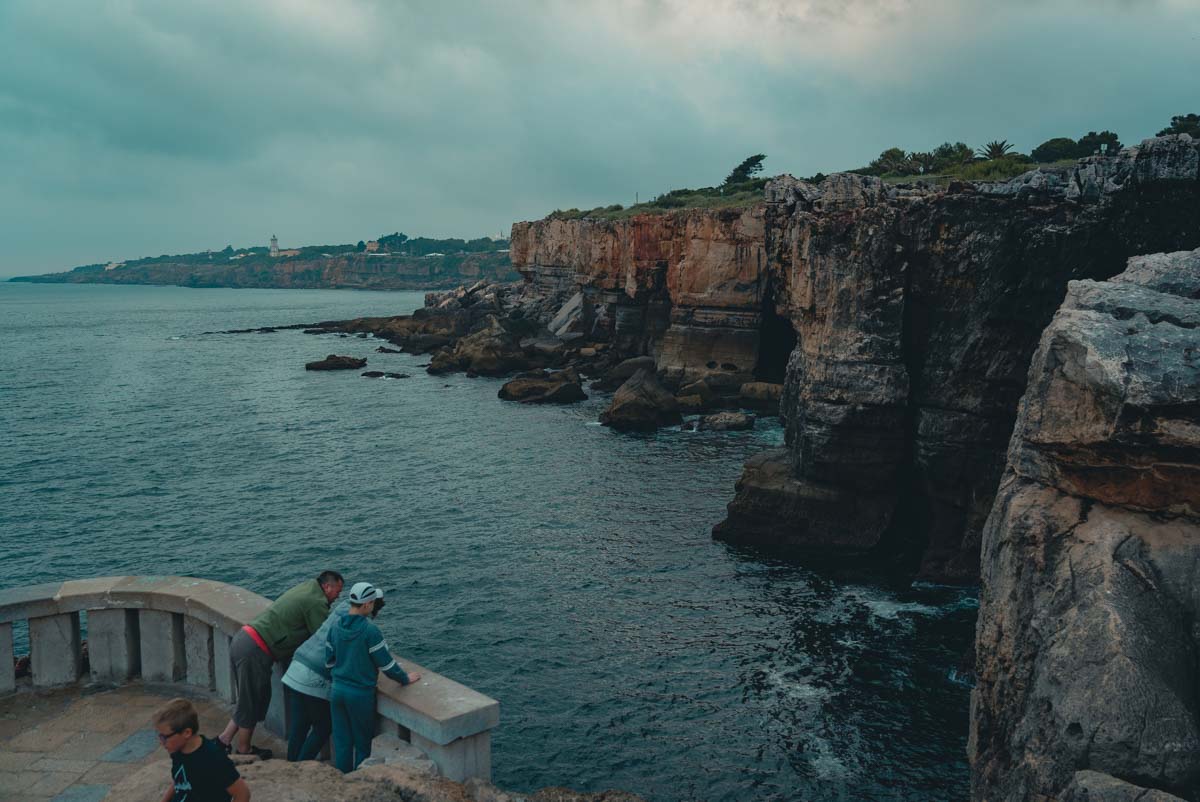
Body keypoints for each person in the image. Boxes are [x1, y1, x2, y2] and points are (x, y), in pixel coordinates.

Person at [218, 570, 344, 759]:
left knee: (250, 698)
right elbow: (323, 638)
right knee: (251, 701)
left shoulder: (307, 587)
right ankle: (243, 749)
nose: (338, 596)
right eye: (337, 591)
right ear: (327, 587)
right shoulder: (316, 603)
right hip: (255, 650)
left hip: (245, 639)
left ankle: (224, 739)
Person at [325, 581, 421, 772]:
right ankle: (359, 782)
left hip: (337, 691)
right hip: (359, 694)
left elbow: (328, 661)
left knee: (342, 741)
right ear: (367, 604)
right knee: (362, 743)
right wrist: (405, 678)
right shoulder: (370, 631)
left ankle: (342, 781)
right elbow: (387, 665)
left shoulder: (335, 626)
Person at [154, 697, 250, 802]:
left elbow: (243, 793)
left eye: (164, 737)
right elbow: (180, 779)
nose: (161, 742)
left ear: (187, 733)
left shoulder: (213, 758)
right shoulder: (177, 750)